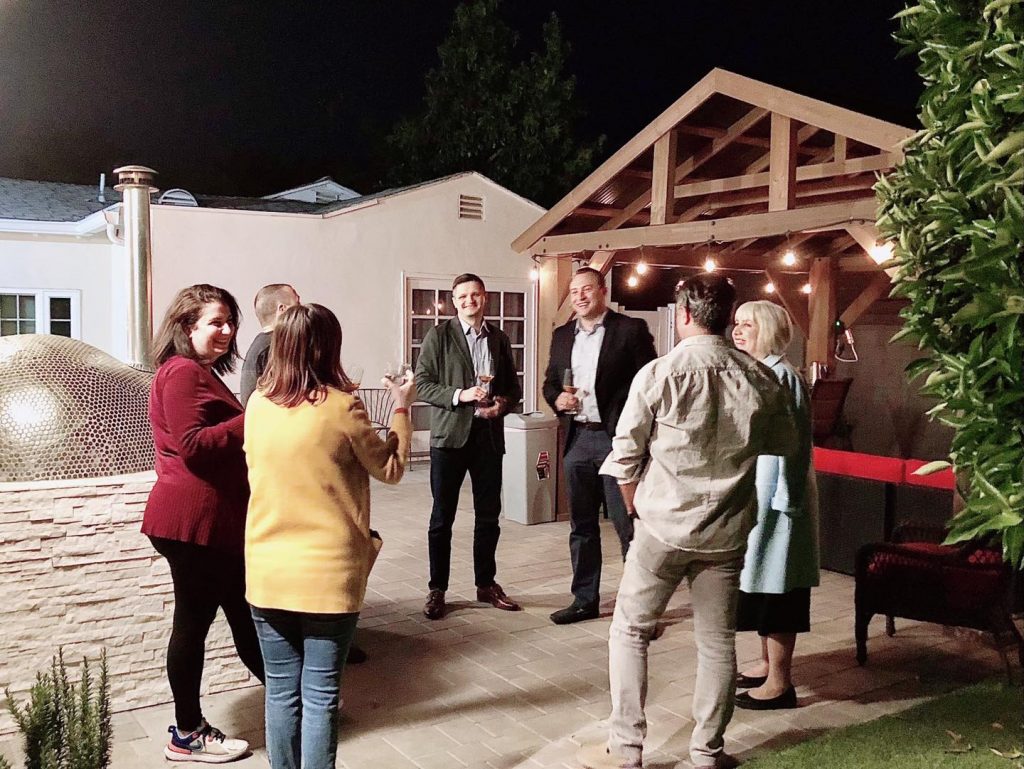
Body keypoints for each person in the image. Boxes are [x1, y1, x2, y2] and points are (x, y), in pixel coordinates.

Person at [578, 274, 797, 769]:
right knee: (717, 642)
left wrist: (635, 507)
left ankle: (627, 749)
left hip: (661, 526)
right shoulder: (760, 377)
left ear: (683, 315)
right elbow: (783, 445)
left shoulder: (659, 373)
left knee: (631, 631)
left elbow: (625, 456)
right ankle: (706, 752)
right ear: (727, 317)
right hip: (726, 529)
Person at [244, 302, 413, 769]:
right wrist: (402, 406)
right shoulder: (341, 407)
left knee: (280, 691)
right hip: (328, 575)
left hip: (267, 570)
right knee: (319, 696)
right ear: (328, 347)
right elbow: (391, 468)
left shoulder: (257, 405)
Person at [142, 283, 265, 764]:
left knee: (244, 615)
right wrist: (254, 414)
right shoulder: (182, 373)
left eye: (231, 322)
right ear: (186, 326)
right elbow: (193, 445)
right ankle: (187, 734)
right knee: (194, 626)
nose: (227, 330)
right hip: (193, 522)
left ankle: (297, 701)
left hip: (211, 523)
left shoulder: (197, 372)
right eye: (216, 322)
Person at [542, 267, 657, 625]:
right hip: (577, 438)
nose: (579, 296)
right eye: (574, 291)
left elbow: (650, 383)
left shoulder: (630, 330)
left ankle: (640, 608)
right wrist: (557, 399)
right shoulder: (562, 335)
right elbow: (550, 383)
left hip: (616, 440)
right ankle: (584, 601)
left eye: (586, 289)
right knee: (582, 526)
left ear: (602, 291)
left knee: (627, 525)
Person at [415, 272, 523, 620]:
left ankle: (486, 584)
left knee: (488, 516)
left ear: (484, 297)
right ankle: (437, 589)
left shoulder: (498, 338)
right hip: (450, 437)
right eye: (462, 296)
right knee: (441, 518)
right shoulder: (439, 336)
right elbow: (422, 384)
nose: (469, 301)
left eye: (474, 295)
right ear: (453, 301)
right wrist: (460, 395)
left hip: (487, 436)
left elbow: (512, 389)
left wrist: (501, 404)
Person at [730, 300, 819, 710]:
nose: (738, 330)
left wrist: (790, 499)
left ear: (767, 330)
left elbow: (796, 447)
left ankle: (781, 683)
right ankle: (767, 664)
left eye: (747, 324)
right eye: (736, 323)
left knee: (780, 587)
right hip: (758, 496)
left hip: (781, 500)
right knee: (760, 582)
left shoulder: (784, 376)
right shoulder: (757, 372)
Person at [240, 283, 300, 407]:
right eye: (297, 304)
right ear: (282, 309)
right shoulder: (274, 346)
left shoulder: (261, 344)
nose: (302, 311)